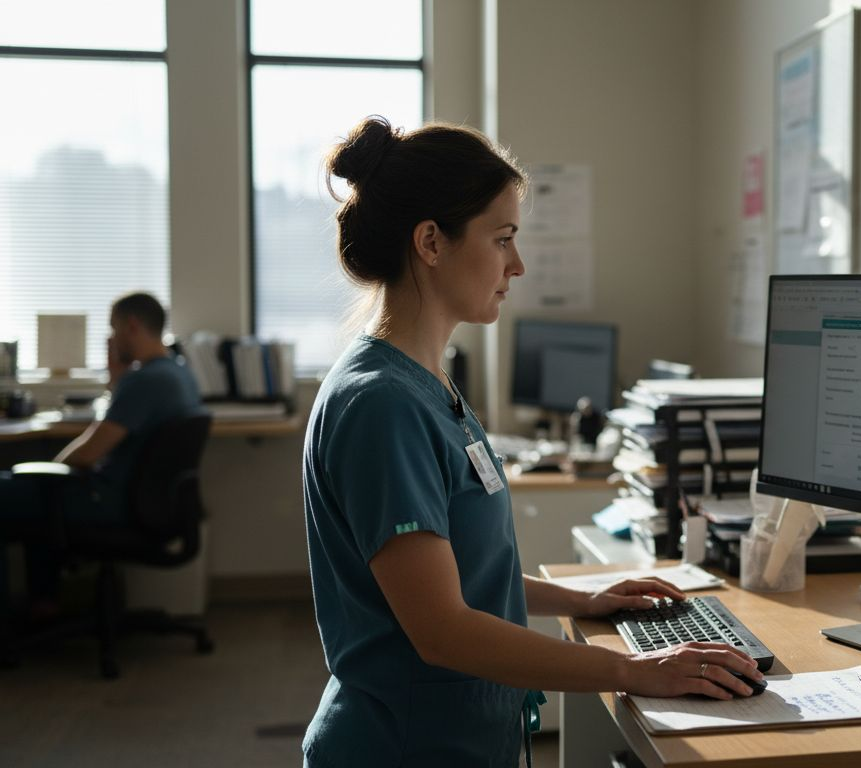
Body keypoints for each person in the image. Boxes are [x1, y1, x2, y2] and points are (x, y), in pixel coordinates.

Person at [302, 116, 764, 768]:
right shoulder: (382, 405)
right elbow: (443, 630)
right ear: (431, 242)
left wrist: (584, 601)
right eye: (502, 239)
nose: (517, 265)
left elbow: (459, 571)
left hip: (461, 736)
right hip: (404, 745)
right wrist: (635, 671)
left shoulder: (427, 382)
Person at [0, 292, 202, 619]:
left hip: (110, 501)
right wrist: (116, 379)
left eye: (113, 328)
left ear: (131, 326)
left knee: (28, 489)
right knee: (32, 492)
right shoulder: (179, 373)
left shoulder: (145, 380)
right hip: (143, 501)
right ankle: (43, 605)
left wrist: (51, 469)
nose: (111, 337)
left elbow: (86, 454)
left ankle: (17, 619)